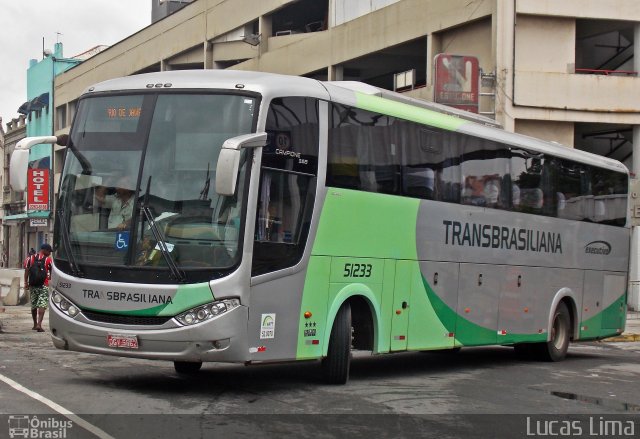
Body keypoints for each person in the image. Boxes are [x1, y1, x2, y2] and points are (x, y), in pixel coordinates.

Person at [24, 243, 53, 332]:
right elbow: (51, 273)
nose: (50, 253)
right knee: (42, 304)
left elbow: (26, 271)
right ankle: (39, 325)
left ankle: (35, 324)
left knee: (34, 304)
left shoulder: (30, 258)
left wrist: (26, 282)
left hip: (33, 284)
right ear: (44, 250)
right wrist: (49, 281)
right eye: (49, 251)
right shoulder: (48, 260)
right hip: (44, 285)